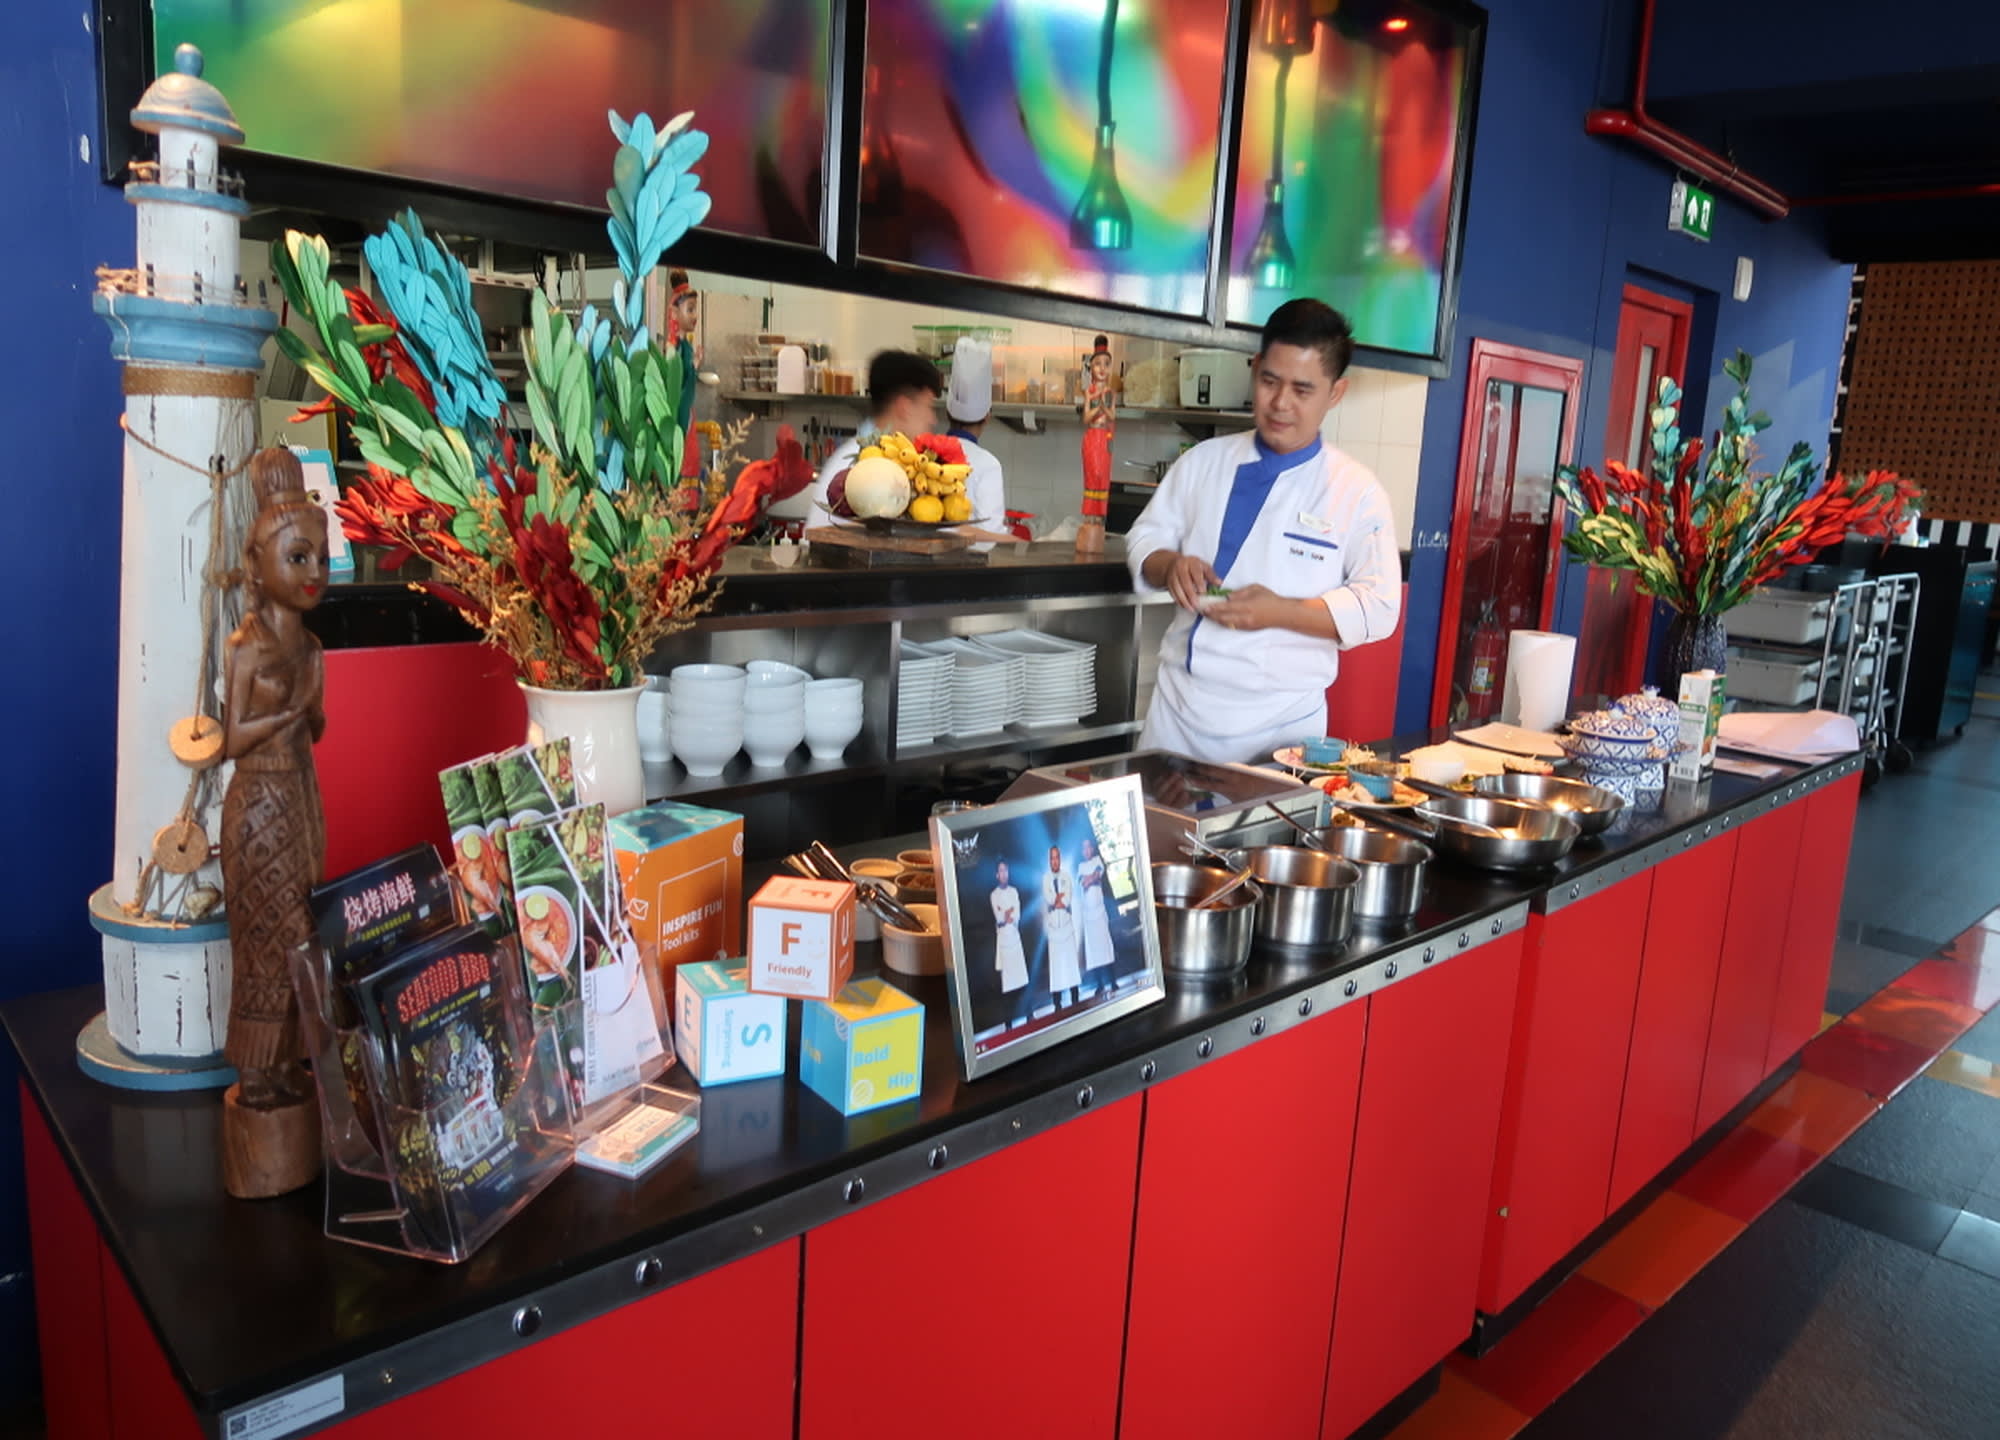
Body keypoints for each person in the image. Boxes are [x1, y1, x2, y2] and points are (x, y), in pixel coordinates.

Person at [1123, 299, 1401, 763]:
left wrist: (1282, 612)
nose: (1280, 403)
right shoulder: (1203, 461)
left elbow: (1380, 606)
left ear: (1336, 392)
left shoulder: (1356, 491)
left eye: (1302, 389)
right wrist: (1170, 565)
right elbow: (1145, 538)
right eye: (1269, 381)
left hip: (1282, 726)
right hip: (1178, 713)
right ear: (1254, 369)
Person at [805, 350, 943, 528]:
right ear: (905, 408)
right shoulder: (858, 468)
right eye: (929, 406)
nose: (933, 420)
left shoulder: (896, 464)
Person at [943, 336, 1007, 535]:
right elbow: (991, 535)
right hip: (967, 555)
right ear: (987, 418)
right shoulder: (988, 465)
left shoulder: (924, 453)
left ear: (947, 413)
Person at [1076, 834, 1118, 992]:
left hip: (1100, 912)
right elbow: (1082, 882)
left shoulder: (1098, 861)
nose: (1087, 850)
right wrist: (1090, 878)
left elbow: (1097, 874)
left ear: (1092, 849)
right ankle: (1100, 984)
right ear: (1082, 851)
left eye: (1089, 847)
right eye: (1084, 848)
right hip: (1088, 915)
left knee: (1105, 946)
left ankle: (1113, 981)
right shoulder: (1080, 867)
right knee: (1093, 950)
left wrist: (1091, 878)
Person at [988, 860, 1029, 1020]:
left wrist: (1007, 913)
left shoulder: (1014, 891)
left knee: (1022, 979)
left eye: (1006, 870)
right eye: (1001, 871)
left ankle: (1029, 1014)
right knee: (1007, 984)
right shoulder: (994, 895)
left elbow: (1016, 914)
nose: (1004, 873)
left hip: (1015, 938)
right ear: (997, 875)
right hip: (1004, 941)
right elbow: (999, 917)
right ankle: (1009, 1021)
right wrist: (1005, 914)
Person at [1041, 845, 1080, 1004]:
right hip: (1054, 929)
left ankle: (1075, 999)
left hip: (1066, 926)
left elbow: (1067, 900)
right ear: (1049, 860)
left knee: (1071, 966)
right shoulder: (1046, 879)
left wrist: (1057, 900)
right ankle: (1057, 1004)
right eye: (1052, 858)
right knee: (1056, 969)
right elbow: (1049, 899)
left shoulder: (1067, 877)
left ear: (1060, 859)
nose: (1055, 861)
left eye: (1057, 857)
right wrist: (1057, 899)